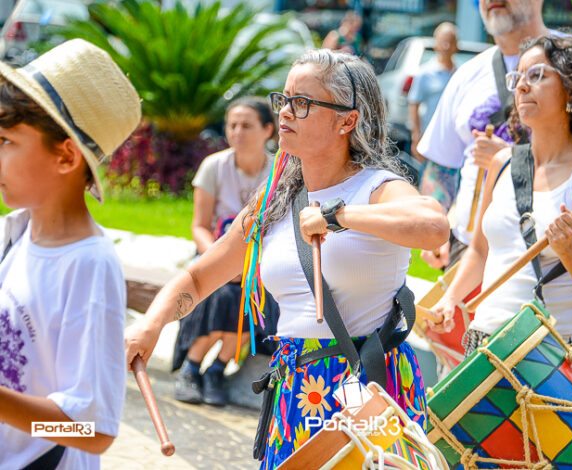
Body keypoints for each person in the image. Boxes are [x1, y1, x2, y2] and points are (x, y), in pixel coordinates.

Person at [124, 49, 449, 468]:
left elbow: (432, 225)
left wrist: (337, 216)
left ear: (347, 120)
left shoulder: (378, 187)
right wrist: (150, 325)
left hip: (369, 386)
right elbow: (200, 277)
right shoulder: (274, 200)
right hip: (296, 388)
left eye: (303, 103)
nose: (285, 112)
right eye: (284, 99)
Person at [429, 35, 572, 374]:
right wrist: (450, 299)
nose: (521, 86)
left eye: (537, 75)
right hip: (488, 342)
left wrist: (568, 250)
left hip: (560, 349)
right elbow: (479, 252)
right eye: (517, 77)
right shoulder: (502, 163)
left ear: (570, 90)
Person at [0, 40, 141, 468]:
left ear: (65, 156)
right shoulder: (15, 232)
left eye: (6, 141)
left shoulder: (88, 266)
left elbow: (94, 433)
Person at [418, 0, 572, 271]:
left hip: (548, 257)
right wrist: (436, 225)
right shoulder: (468, 74)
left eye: (536, 76)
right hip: (469, 252)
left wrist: (509, 160)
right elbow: (442, 164)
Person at [173, 97, 278, 407]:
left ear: (268, 130)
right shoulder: (214, 166)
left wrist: (248, 267)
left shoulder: (280, 171)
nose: (237, 132)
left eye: (246, 125)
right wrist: (221, 263)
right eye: (232, 125)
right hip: (214, 253)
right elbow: (199, 227)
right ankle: (193, 369)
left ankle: (215, 370)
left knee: (254, 298)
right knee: (222, 294)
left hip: (259, 261)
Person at [408, 22, 461, 211]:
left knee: (454, 191)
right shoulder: (425, 73)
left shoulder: (460, 74)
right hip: (431, 140)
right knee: (429, 190)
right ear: (436, 44)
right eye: (443, 41)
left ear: (456, 45)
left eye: (450, 41)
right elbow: (413, 103)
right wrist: (416, 135)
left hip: (455, 141)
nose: (446, 46)